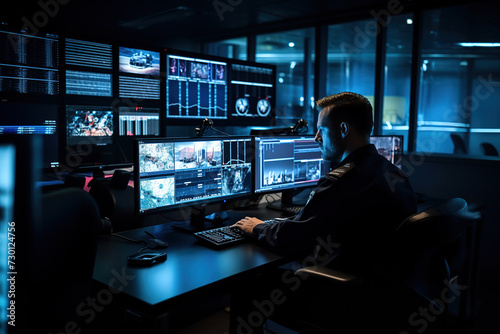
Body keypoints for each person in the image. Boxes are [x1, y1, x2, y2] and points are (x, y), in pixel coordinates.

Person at [229, 92, 418, 333]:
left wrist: (258, 227)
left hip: (343, 296)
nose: (316, 137)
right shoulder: (391, 171)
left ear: (342, 129)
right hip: (383, 295)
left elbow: (294, 238)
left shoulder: (345, 181)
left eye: (321, 129)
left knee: (248, 283)